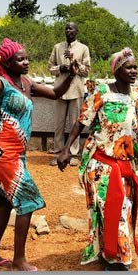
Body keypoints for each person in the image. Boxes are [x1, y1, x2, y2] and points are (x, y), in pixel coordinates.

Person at [0, 38, 79, 271]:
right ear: (7, 63)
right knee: (27, 201)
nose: (26, 62)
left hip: (17, 153)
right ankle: (19, 260)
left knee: (5, 205)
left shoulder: (26, 84)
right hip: (2, 152)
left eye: (27, 58)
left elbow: (56, 93)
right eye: (20, 59)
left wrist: (71, 75)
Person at [56, 47, 138, 271]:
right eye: (128, 67)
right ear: (117, 70)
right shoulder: (100, 91)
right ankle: (115, 259)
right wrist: (66, 149)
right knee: (107, 209)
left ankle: (112, 252)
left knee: (123, 208)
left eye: (135, 67)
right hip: (101, 163)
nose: (134, 71)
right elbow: (82, 121)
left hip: (125, 163)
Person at [48, 21, 91, 167]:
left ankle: (73, 154)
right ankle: (58, 152)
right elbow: (50, 67)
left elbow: (86, 70)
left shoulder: (83, 48)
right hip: (60, 89)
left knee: (74, 123)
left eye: (71, 29)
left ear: (76, 31)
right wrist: (61, 67)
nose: (68, 31)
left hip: (76, 89)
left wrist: (74, 63)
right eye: (66, 28)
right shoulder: (57, 47)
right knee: (59, 123)